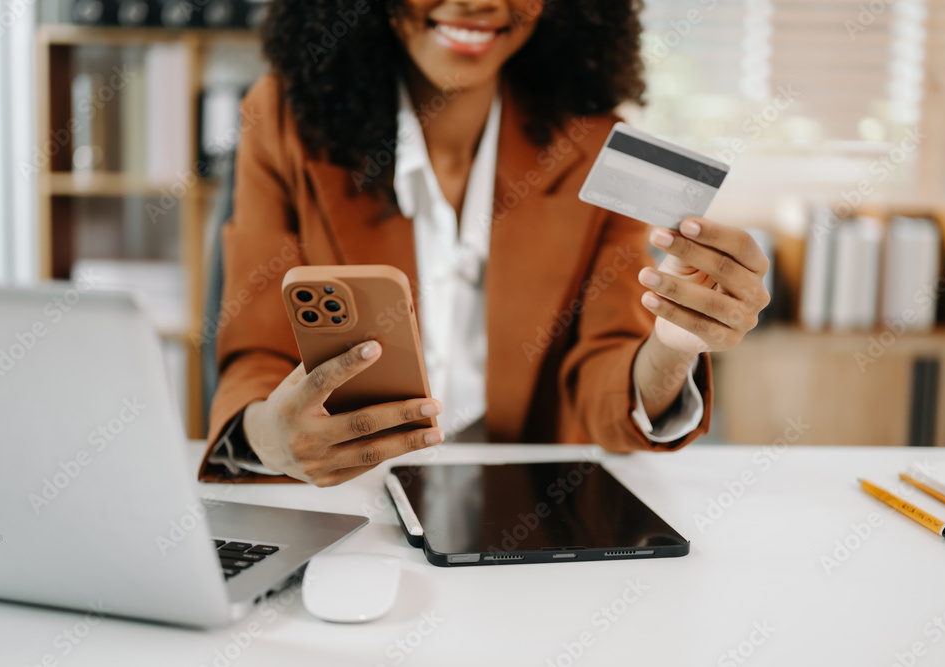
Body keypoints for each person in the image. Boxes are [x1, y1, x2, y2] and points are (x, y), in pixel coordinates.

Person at [198, 0, 770, 486]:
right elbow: (256, 353)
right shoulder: (280, 120)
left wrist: (672, 347)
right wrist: (268, 438)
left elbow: (603, 387)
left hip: (522, 515)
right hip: (349, 498)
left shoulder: (596, 150)